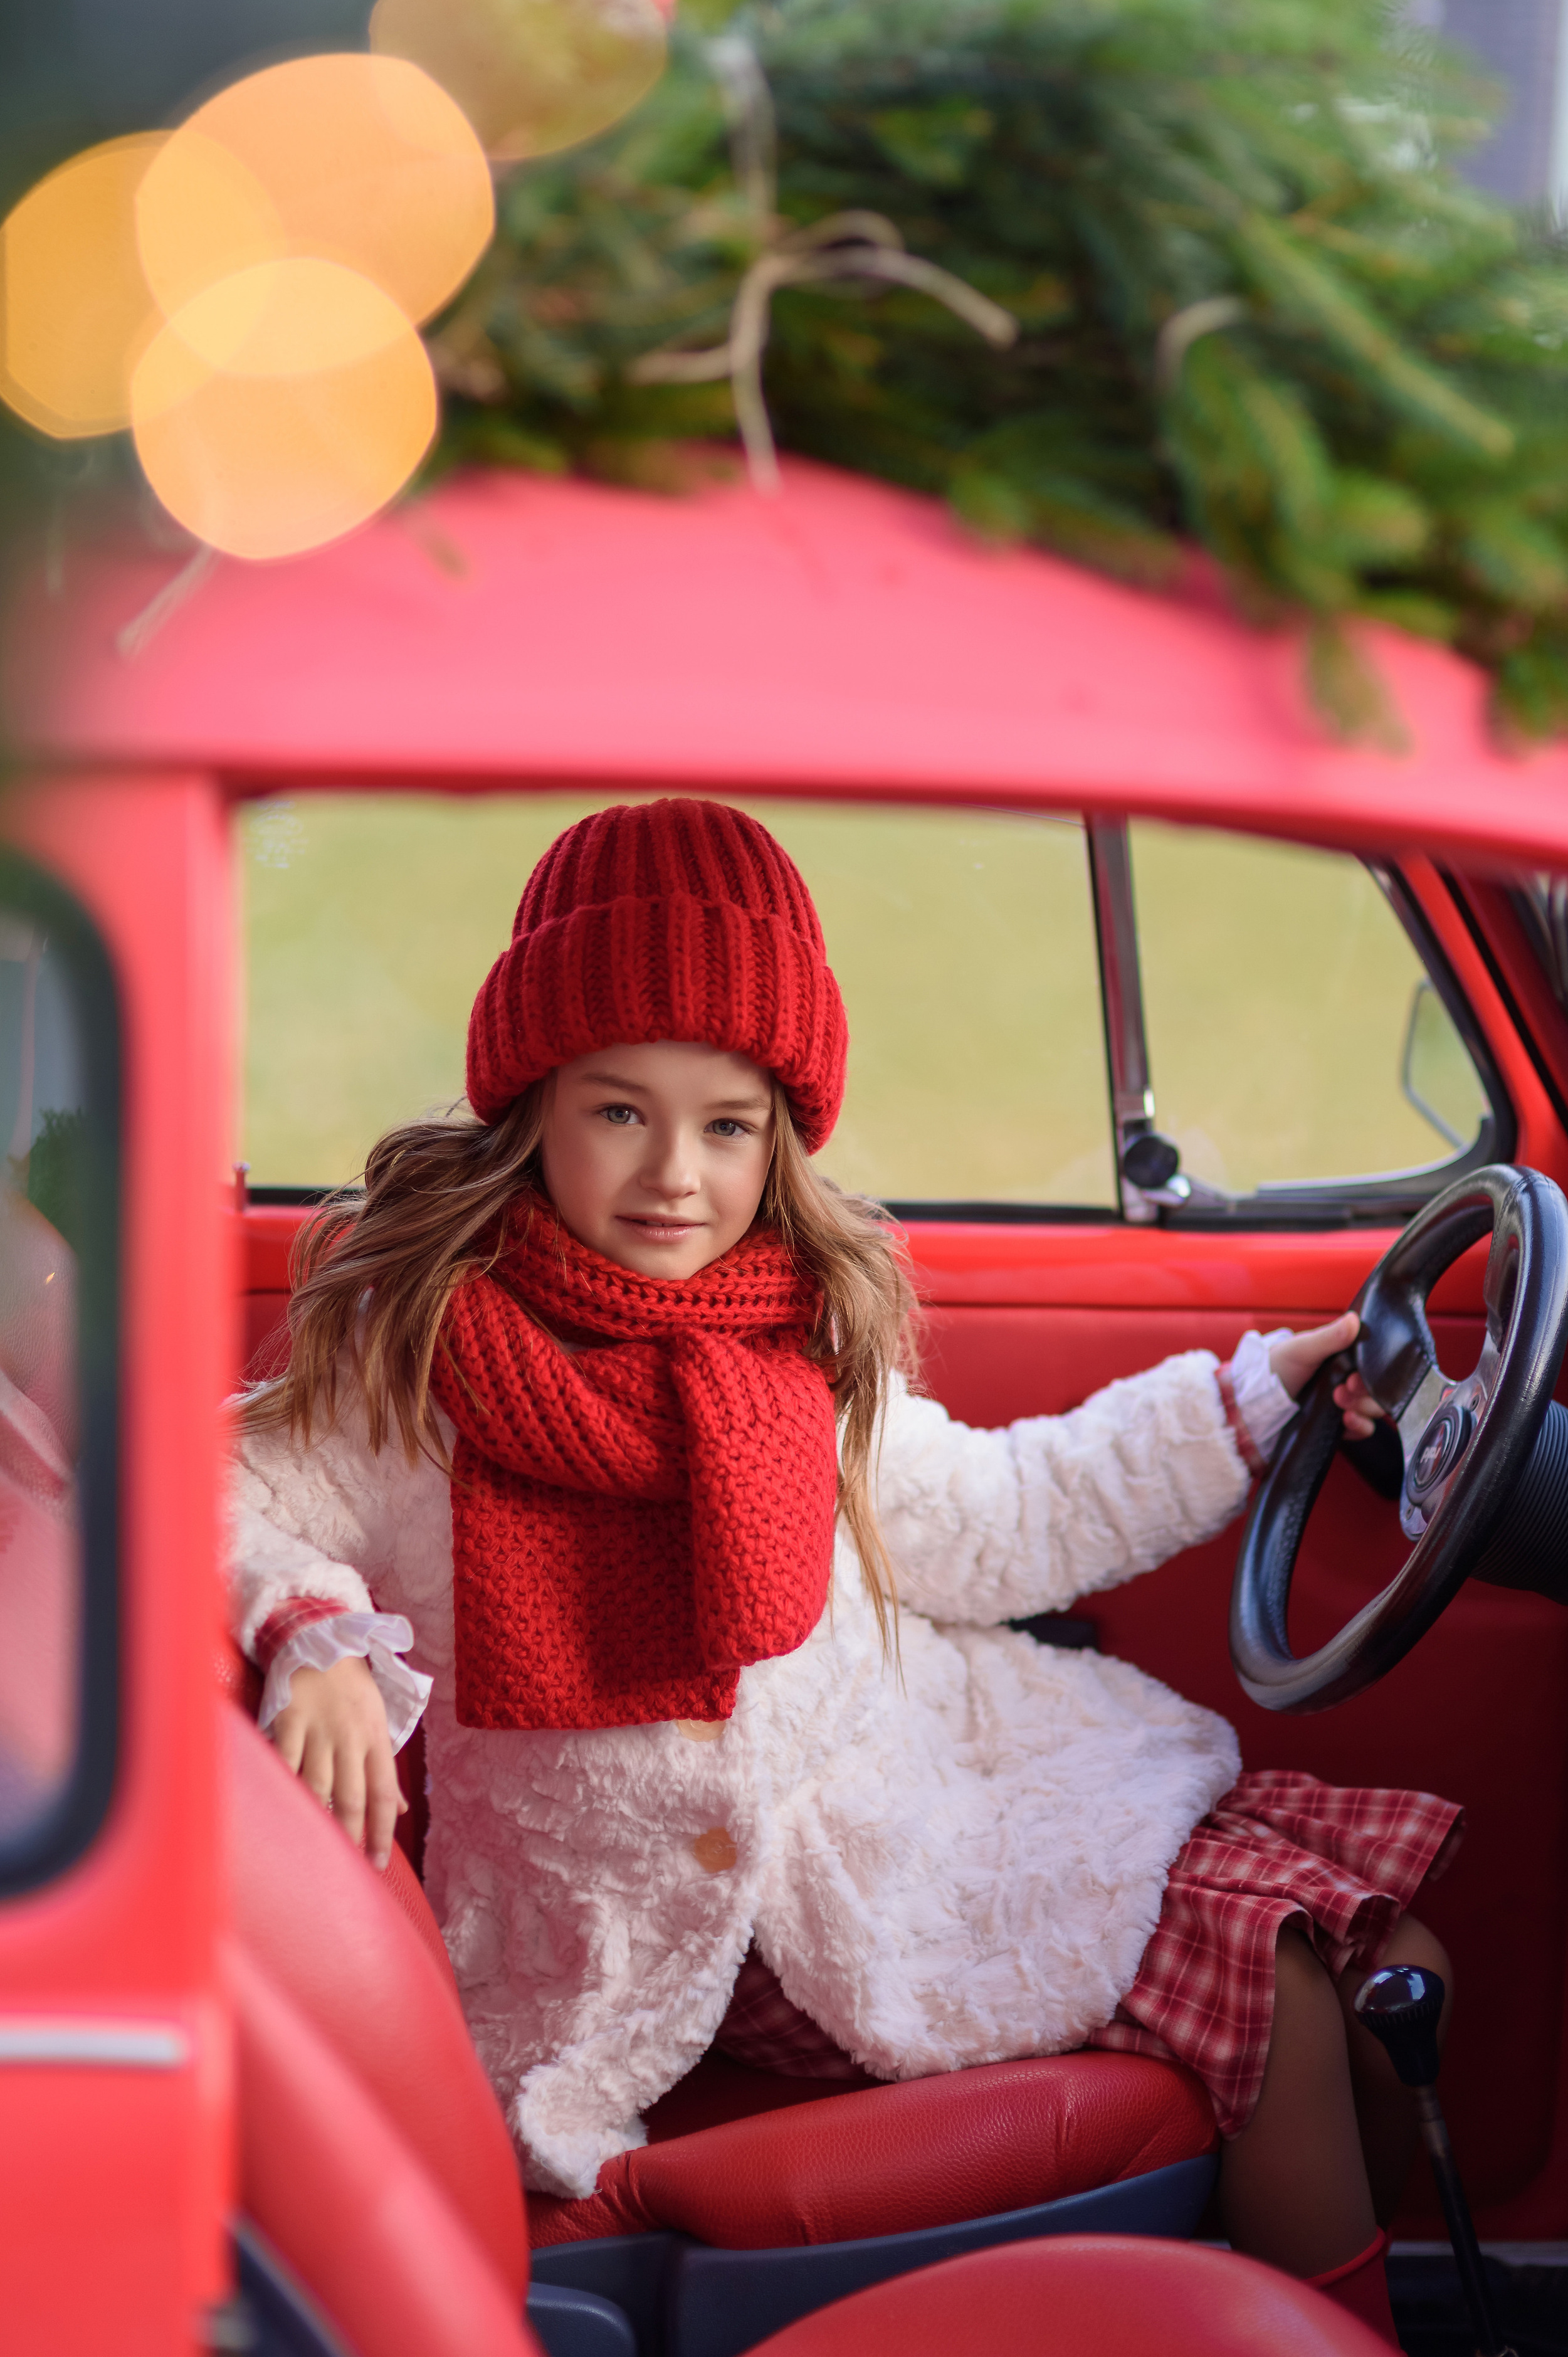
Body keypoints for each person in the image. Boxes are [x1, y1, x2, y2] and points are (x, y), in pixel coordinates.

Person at [228, 798, 1456, 2343]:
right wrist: (314, 1634)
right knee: (1282, 1986)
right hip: (711, 1933)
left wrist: (1253, 1394)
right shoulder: (419, 1372)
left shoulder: (790, 1346)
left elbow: (1007, 1515)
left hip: (907, 1805)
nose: (675, 1172)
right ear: (531, 1104)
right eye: (619, 1111)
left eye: (727, 1125)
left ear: (779, 1138)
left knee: (1386, 1962)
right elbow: (220, 1485)